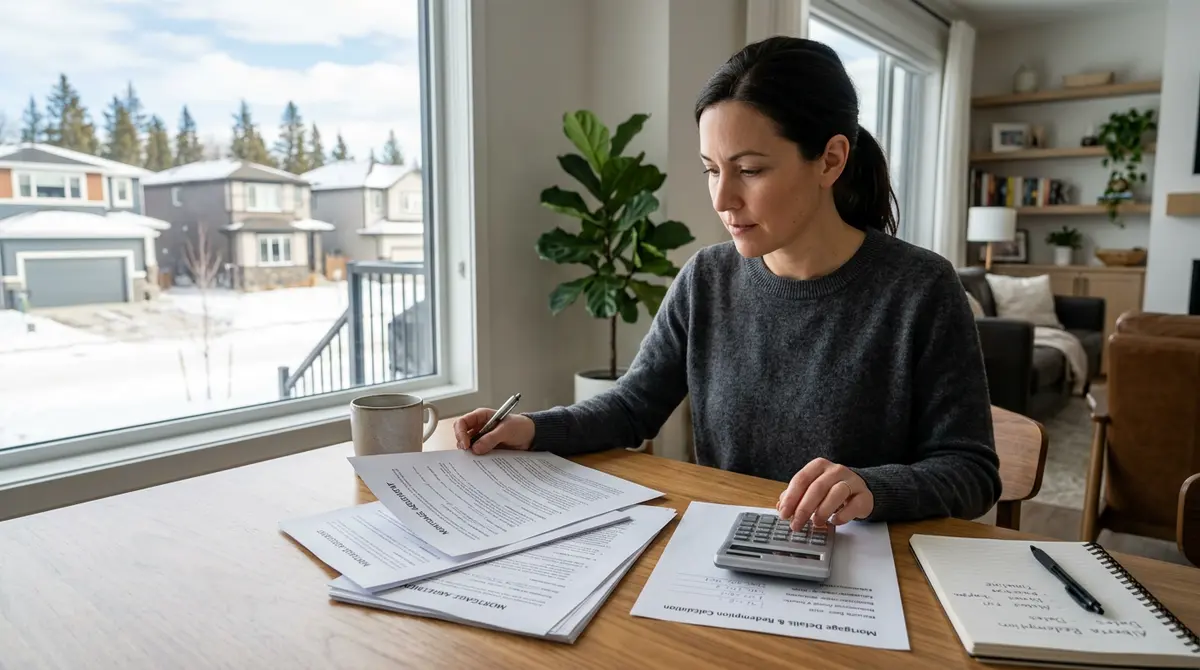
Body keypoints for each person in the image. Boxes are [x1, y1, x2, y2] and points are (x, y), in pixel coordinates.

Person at [453, 36, 1001, 530]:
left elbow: (971, 472)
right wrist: (530, 428)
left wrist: (873, 488)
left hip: (867, 576)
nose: (721, 199)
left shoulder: (920, 288)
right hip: (721, 558)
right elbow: (631, 408)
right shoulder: (706, 279)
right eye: (712, 169)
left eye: (751, 170)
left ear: (830, 160)